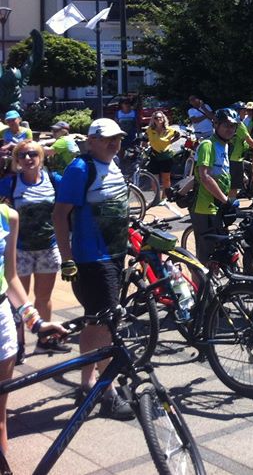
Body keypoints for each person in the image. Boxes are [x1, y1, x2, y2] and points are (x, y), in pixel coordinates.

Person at [52, 118, 135, 420]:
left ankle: (87, 384)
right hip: (93, 260)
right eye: (108, 138)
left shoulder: (113, 164)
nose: (114, 143)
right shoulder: (79, 169)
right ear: (91, 141)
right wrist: (67, 258)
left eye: (118, 138)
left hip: (114, 256)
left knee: (94, 322)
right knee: (106, 326)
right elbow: (59, 215)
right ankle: (108, 393)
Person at [0, 198, 66, 455]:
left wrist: (35, 322)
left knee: (0, 419)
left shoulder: (8, 216)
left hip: (1, 321)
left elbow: (10, 277)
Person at [0, 140, 67, 358]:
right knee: (18, 300)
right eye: (22, 155)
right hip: (19, 250)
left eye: (32, 154)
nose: (28, 158)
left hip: (48, 248)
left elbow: (68, 206)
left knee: (43, 297)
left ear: (41, 157)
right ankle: (18, 345)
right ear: (16, 160)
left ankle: (44, 341)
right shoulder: (10, 183)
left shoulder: (54, 180)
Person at [189, 108, 238, 264]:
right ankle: (200, 281)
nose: (230, 129)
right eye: (226, 125)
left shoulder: (224, 145)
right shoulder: (207, 145)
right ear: (216, 124)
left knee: (220, 252)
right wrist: (226, 200)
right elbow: (205, 176)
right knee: (205, 255)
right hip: (205, 207)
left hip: (217, 205)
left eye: (233, 126)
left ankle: (214, 278)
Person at [144, 111, 180, 196]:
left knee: (166, 179)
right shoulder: (150, 130)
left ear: (163, 119)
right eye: (156, 118)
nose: (158, 119)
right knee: (154, 179)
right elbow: (144, 139)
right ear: (153, 120)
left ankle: (165, 197)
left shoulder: (169, 130)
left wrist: (171, 142)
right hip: (154, 156)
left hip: (166, 156)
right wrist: (145, 146)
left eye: (160, 117)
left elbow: (178, 135)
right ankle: (156, 197)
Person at [227, 112, 253, 202]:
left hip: (229, 157)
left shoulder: (226, 125)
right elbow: (249, 141)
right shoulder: (239, 125)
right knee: (233, 186)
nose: (245, 112)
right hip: (235, 159)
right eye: (243, 110)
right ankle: (231, 205)